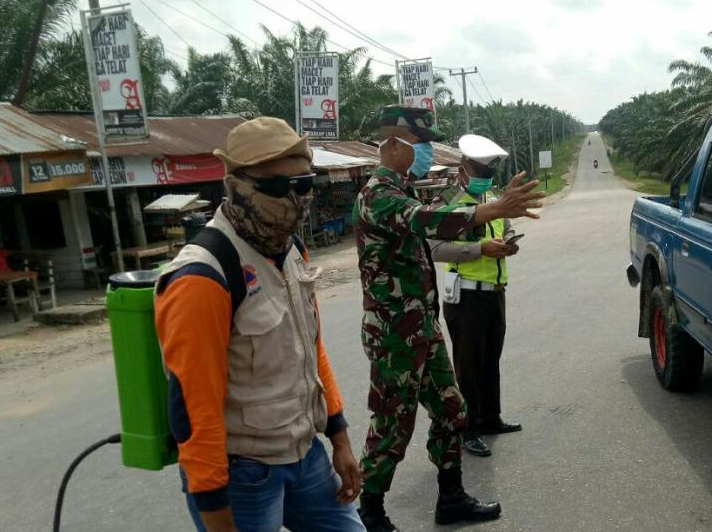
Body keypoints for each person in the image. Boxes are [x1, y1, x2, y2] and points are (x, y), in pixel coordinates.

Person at [154, 117, 364, 532]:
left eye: (304, 184)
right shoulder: (203, 275)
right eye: (276, 186)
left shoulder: (291, 249)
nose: (295, 198)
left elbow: (311, 349)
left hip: (305, 453)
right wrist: (217, 516)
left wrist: (339, 438)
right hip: (244, 473)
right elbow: (195, 412)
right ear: (236, 185)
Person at [354, 106, 546, 531]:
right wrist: (491, 210)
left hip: (422, 325)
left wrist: (492, 215)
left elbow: (432, 227)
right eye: (421, 144)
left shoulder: (403, 189)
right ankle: (370, 512)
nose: (426, 152)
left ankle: (452, 498)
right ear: (393, 144)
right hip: (394, 333)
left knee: (452, 410)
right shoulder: (378, 194)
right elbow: (426, 221)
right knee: (392, 423)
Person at [429, 134, 521, 459]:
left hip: (495, 292)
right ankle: (469, 430)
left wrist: (510, 241)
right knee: (468, 366)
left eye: (489, 173)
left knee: (491, 360)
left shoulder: (493, 198)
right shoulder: (448, 202)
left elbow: (505, 226)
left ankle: (491, 418)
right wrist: (480, 249)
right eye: (481, 172)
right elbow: (436, 248)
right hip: (466, 296)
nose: (486, 178)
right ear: (464, 169)